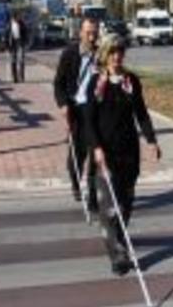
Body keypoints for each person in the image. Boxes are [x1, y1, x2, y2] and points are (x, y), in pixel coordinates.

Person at [83, 34, 161, 275]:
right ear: (105, 54)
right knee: (109, 207)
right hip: (105, 153)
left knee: (126, 204)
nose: (117, 56)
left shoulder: (131, 81)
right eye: (113, 52)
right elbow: (88, 120)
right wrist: (96, 148)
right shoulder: (96, 82)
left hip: (128, 152)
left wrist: (151, 140)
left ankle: (119, 239)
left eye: (121, 52)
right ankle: (118, 256)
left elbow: (141, 113)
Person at [53, 16, 100, 210]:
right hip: (76, 109)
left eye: (94, 33)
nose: (91, 37)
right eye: (88, 32)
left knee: (94, 152)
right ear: (80, 32)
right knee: (77, 155)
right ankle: (75, 182)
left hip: (94, 110)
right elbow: (58, 84)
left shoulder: (101, 55)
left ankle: (92, 195)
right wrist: (63, 104)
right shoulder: (69, 54)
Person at [6, 12, 29, 83]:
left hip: (20, 43)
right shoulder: (9, 25)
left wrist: (25, 43)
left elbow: (25, 33)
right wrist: (7, 45)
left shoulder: (22, 24)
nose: (16, 19)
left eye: (17, 17)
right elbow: (6, 35)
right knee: (13, 61)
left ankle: (21, 77)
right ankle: (14, 77)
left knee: (21, 60)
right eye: (14, 18)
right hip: (12, 44)